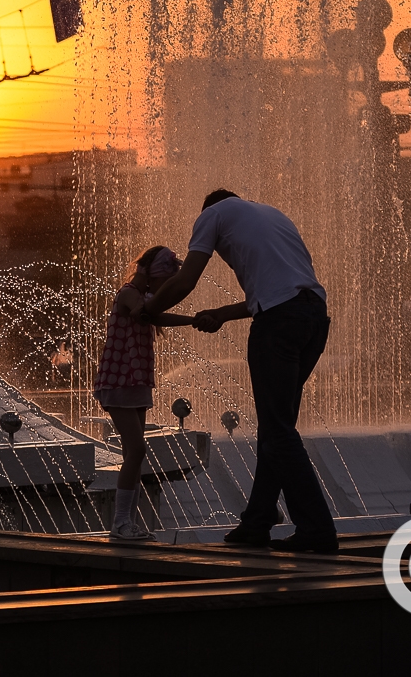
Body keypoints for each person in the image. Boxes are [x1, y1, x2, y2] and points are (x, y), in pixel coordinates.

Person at [136, 189, 338, 552]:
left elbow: (185, 282)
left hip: (278, 325)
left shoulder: (212, 214)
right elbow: (280, 291)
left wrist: (149, 310)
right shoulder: (272, 214)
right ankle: (257, 521)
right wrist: (221, 315)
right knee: (277, 428)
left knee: (277, 430)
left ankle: (317, 529)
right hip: (313, 319)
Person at [95, 245, 197, 541]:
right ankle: (120, 523)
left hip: (136, 382)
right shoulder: (128, 293)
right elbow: (143, 312)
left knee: (134, 454)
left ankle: (127, 522)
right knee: (137, 450)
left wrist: (193, 320)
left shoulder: (145, 298)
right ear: (152, 276)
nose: (163, 289)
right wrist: (147, 309)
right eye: (163, 282)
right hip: (118, 381)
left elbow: (157, 317)